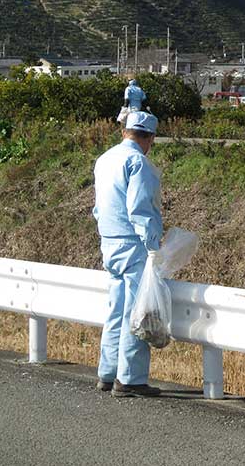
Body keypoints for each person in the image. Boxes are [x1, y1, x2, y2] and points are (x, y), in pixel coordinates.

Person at [93, 111, 163, 397]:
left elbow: (98, 206)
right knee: (136, 312)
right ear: (149, 138)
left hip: (108, 241)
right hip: (133, 245)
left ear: (124, 131)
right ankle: (130, 379)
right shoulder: (138, 162)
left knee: (115, 309)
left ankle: (107, 373)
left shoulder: (105, 159)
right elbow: (140, 209)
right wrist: (153, 248)